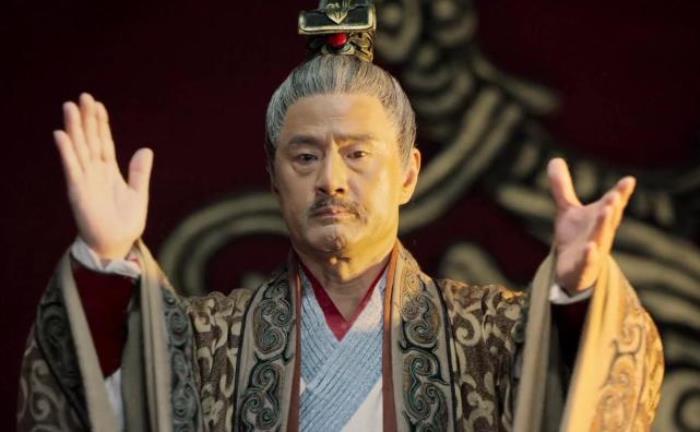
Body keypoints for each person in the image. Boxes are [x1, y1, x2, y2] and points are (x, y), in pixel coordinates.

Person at [17, 2, 663, 431]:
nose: (330, 179)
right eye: (305, 156)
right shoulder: (208, 340)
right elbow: (105, 398)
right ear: (273, 179)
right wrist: (105, 264)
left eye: (357, 154)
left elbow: (588, 389)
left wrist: (577, 294)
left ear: (408, 173)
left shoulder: (490, 334)